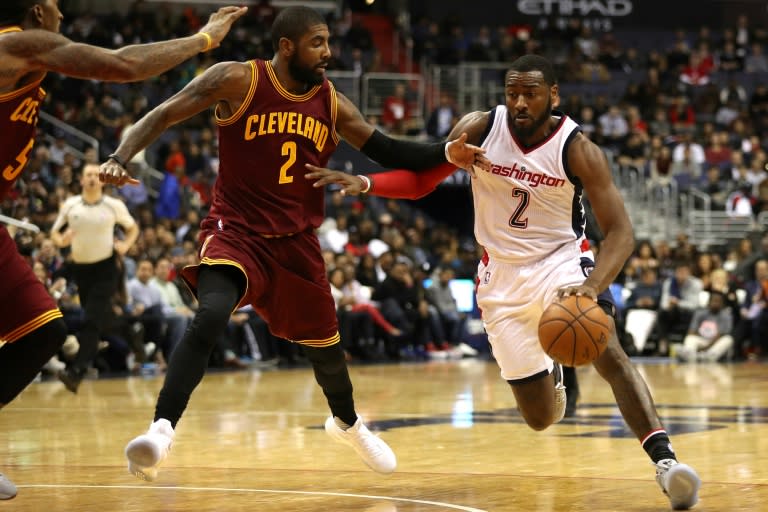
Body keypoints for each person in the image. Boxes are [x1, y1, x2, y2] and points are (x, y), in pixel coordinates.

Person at [98, 6, 487, 482]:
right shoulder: (238, 80)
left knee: (327, 349)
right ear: (287, 46)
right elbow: (162, 114)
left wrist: (446, 153)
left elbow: (386, 146)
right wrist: (120, 155)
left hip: (296, 241)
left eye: (327, 42)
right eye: (318, 43)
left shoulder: (331, 100)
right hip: (236, 230)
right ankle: (161, 429)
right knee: (212, 313)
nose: (329, 52)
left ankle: (347, 423)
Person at [306, 54, 702, 510]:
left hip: (562, 264)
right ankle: (554, 371)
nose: (518, 102)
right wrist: (365, 182)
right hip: (500, 279)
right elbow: (422, 181)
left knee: (605, 349)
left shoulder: (577, 149)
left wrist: (592, 288)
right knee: (539, 419)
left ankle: (666, 464)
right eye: (512, 92)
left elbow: (621, 233)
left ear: (553, 95)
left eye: (530, 93)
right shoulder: (479, 128)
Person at [0, 1, 247, 500]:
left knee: (43, 332)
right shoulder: (14, 44)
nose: (62, 18)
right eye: (55, 8)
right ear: (35, 13)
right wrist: (203, 40)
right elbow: (124, 65)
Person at [50, 163, 139, 392]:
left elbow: (132, 228)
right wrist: (62, 241)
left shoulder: (113, 205)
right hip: (81, 270)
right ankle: (131, 334)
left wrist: (125, 246)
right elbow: (54, 233)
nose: (91, 178)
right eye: (87, 175)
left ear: (101, 180)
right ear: (81, 180)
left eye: (95, 175)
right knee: (100, 319)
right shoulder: (70, 205)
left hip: (107, 269)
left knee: (90, 320)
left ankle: (76, 372)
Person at [675, 291, 734, 363]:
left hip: (715, 343)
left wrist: (707, 347)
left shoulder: (726, 316)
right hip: (701, 339)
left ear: (722, 304)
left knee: (728, 339)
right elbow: (691, 331)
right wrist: (702, 343)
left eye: (718, 301)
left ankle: (708, 357)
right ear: (709, 302)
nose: (716, 303)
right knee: (690, 338)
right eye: (714, 301)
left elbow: (721, 335)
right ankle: (690, 355)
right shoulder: (700, 313)